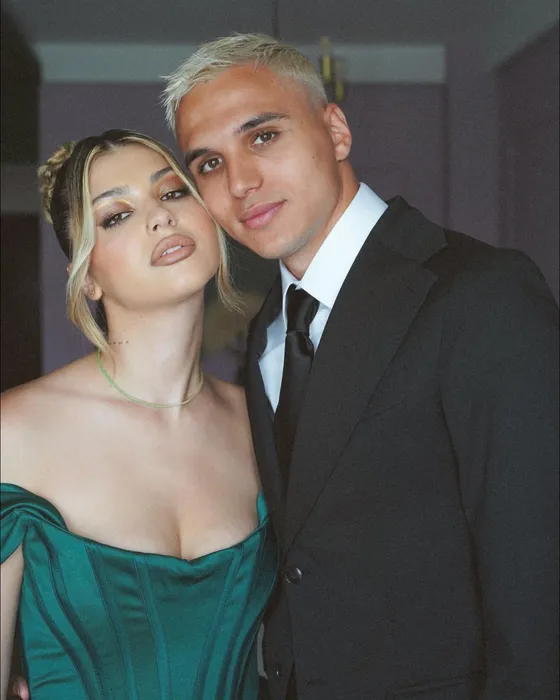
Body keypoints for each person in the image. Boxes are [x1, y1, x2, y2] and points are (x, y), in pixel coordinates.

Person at [162, 34, 559, 699]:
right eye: (208, 163)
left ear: (336, 130)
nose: (240, 183)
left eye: (263, 136)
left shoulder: (481, 292)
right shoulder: (266, 333)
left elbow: (539, 580)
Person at [0, 129, 278, 700]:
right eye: (117, 215)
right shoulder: (16, 434)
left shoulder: (264, 423)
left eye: (172, 193)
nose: (160, 217)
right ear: (88, 278)